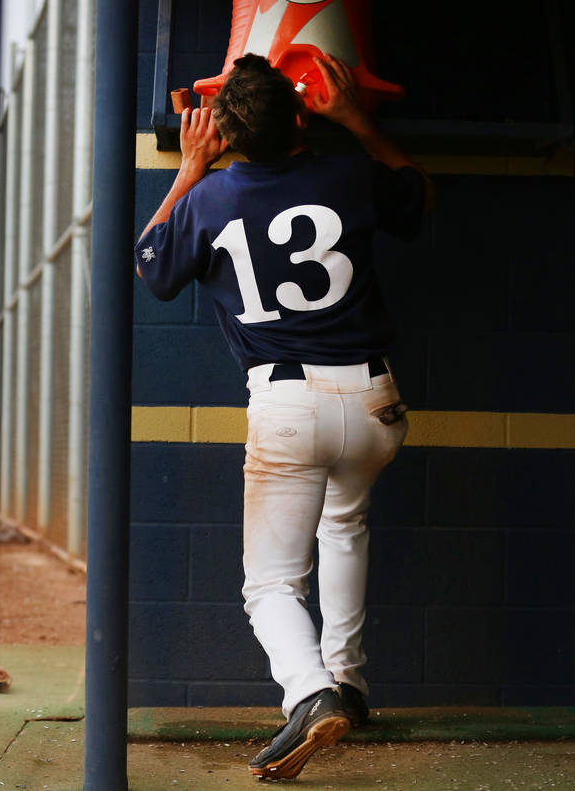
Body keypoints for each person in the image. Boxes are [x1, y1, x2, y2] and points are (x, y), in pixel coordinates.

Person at [134, 52, 436, 779]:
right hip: (374, 400)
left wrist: (190, 167)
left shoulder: (209, 197)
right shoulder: (347, 174)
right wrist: (357, 118)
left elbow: (152, 266)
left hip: (287, 403)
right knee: (344, 526)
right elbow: (419, 197)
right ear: (301, 116)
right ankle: (350, 682)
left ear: (227, 134)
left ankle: (311, 693)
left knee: (270, 585)